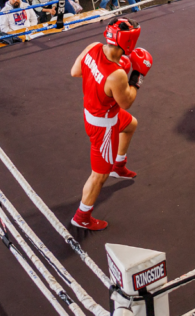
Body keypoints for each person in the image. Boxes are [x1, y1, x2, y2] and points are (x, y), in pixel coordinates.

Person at [69, 19, 151, 231]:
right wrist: (138, 74)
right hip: (103, 126)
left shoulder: (93, 47)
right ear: (130, 40)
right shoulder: (117, 75)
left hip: (96, 112)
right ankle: (82, 216)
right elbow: (127, 101)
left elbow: (75, 72)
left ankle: (119, 166)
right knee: (99, 176)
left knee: (131, 124)